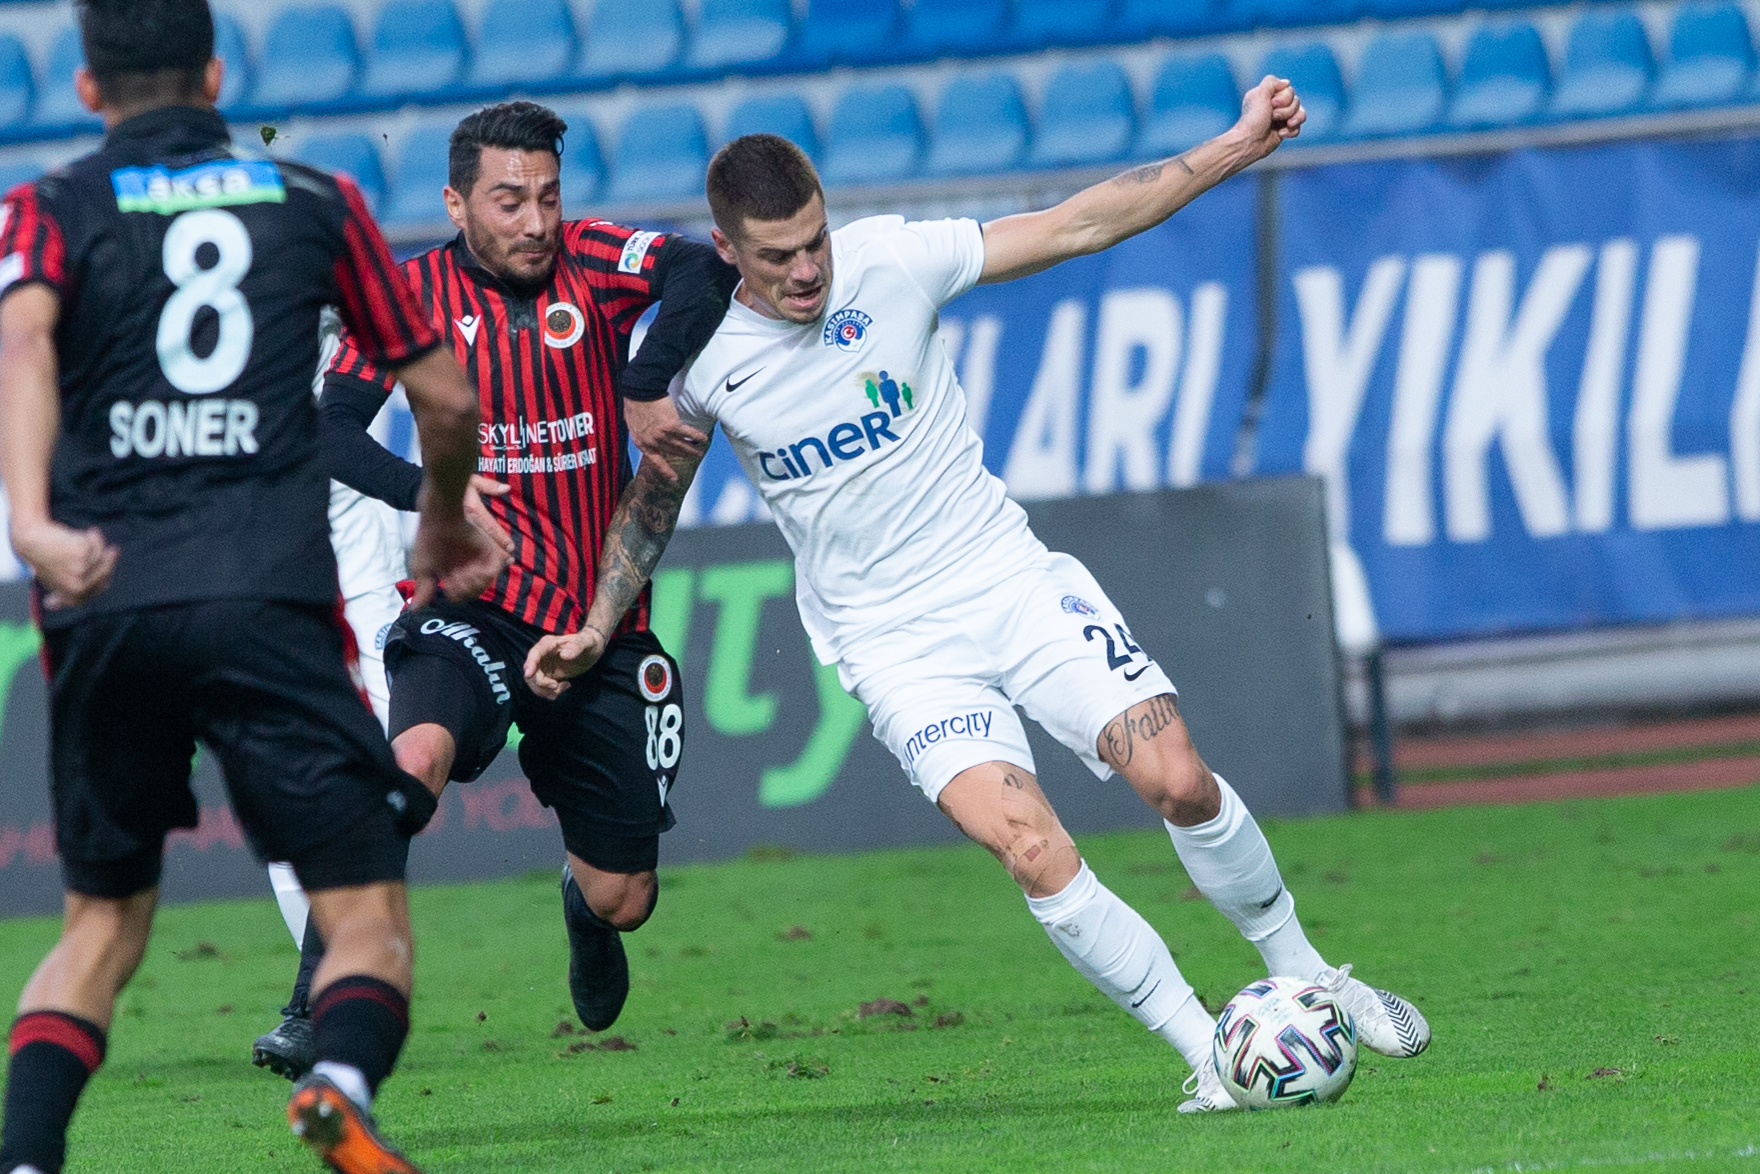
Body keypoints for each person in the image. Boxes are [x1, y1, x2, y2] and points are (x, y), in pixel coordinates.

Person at [532, 77, 1431, 1114]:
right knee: (1031, 847)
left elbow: (1079, 223)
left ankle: (1310, 975)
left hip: (1007, 581)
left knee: (1178, 777)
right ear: (727, 251)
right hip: (893, 647)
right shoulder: (701, 364)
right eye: (777, 256)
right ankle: (1209, 1055)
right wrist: (596, 624)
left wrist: (1234, 144)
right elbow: (650, 505)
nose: (808, 269)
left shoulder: (892, 262)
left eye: (815, 241)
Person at [0, 1, 502, 1170]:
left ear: (87, 89)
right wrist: (439, 516)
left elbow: (21, 347)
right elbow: (444, 394)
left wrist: (31, 520)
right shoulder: (316, 202)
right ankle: (337, 1086)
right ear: (218, 77)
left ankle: (25, 1158)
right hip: (266, 599)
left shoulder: (47, 208)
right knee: (366, 919)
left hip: (105, 596)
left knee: (99, 930)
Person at [251, 100, 738, 1073]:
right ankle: (315, 997)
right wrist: (431, 490)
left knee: (625, 897)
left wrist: (641, 384)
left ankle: (582, 908)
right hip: (471, 606)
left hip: (596, 625)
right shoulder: (409, 295)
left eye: (548, 197)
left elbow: (704, 268)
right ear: (456, 203)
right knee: (412, 759)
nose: (535, 221)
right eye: (510, 201)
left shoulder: (595, 260)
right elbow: (331, 428)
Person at [252, 311, 516, 1080]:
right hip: (244, 565)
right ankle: (331, 998)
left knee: (384, 765)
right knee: (287, 794)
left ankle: (320, 1005)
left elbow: (391, 327)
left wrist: (432, 493)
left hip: (351, 558)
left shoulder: (314, 257)